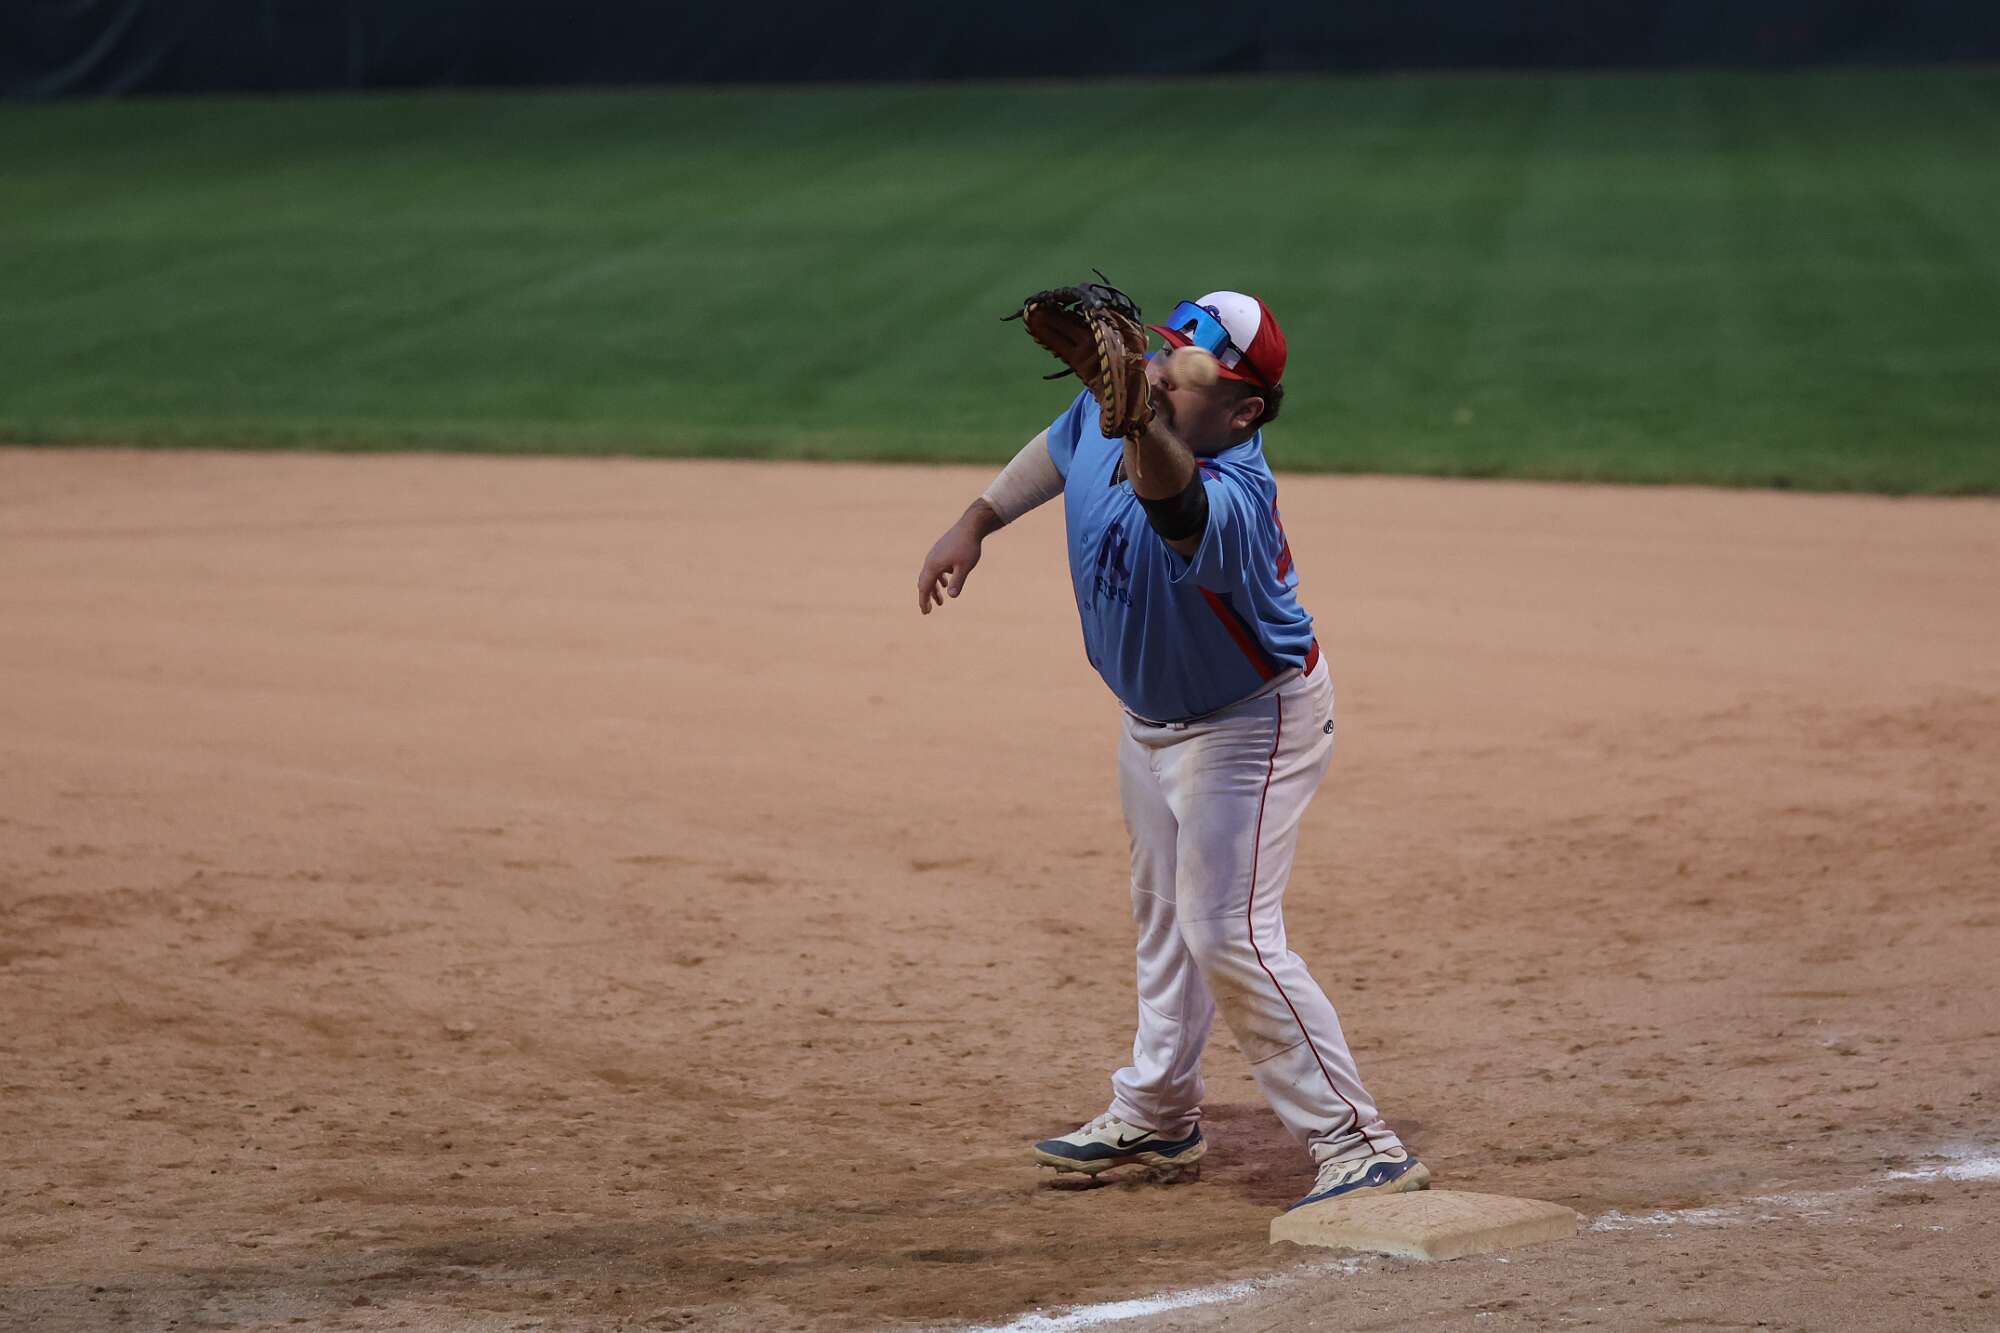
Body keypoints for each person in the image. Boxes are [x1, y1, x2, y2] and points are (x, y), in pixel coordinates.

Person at [915, 290, 1429, 1212]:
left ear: (1243, 413)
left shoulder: (1232, 495)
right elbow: (1062, 445)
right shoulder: (1121, 410)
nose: (1156, 375)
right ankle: (1158, 1110)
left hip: (1249, 727)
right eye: (1158, 357)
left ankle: (1359, 1144)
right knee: (1162, 918)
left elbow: (1172, 500)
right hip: (1148, 718)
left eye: (1189, 377)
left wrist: (1139, 420)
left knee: (1227, 931)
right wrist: (976, 520)